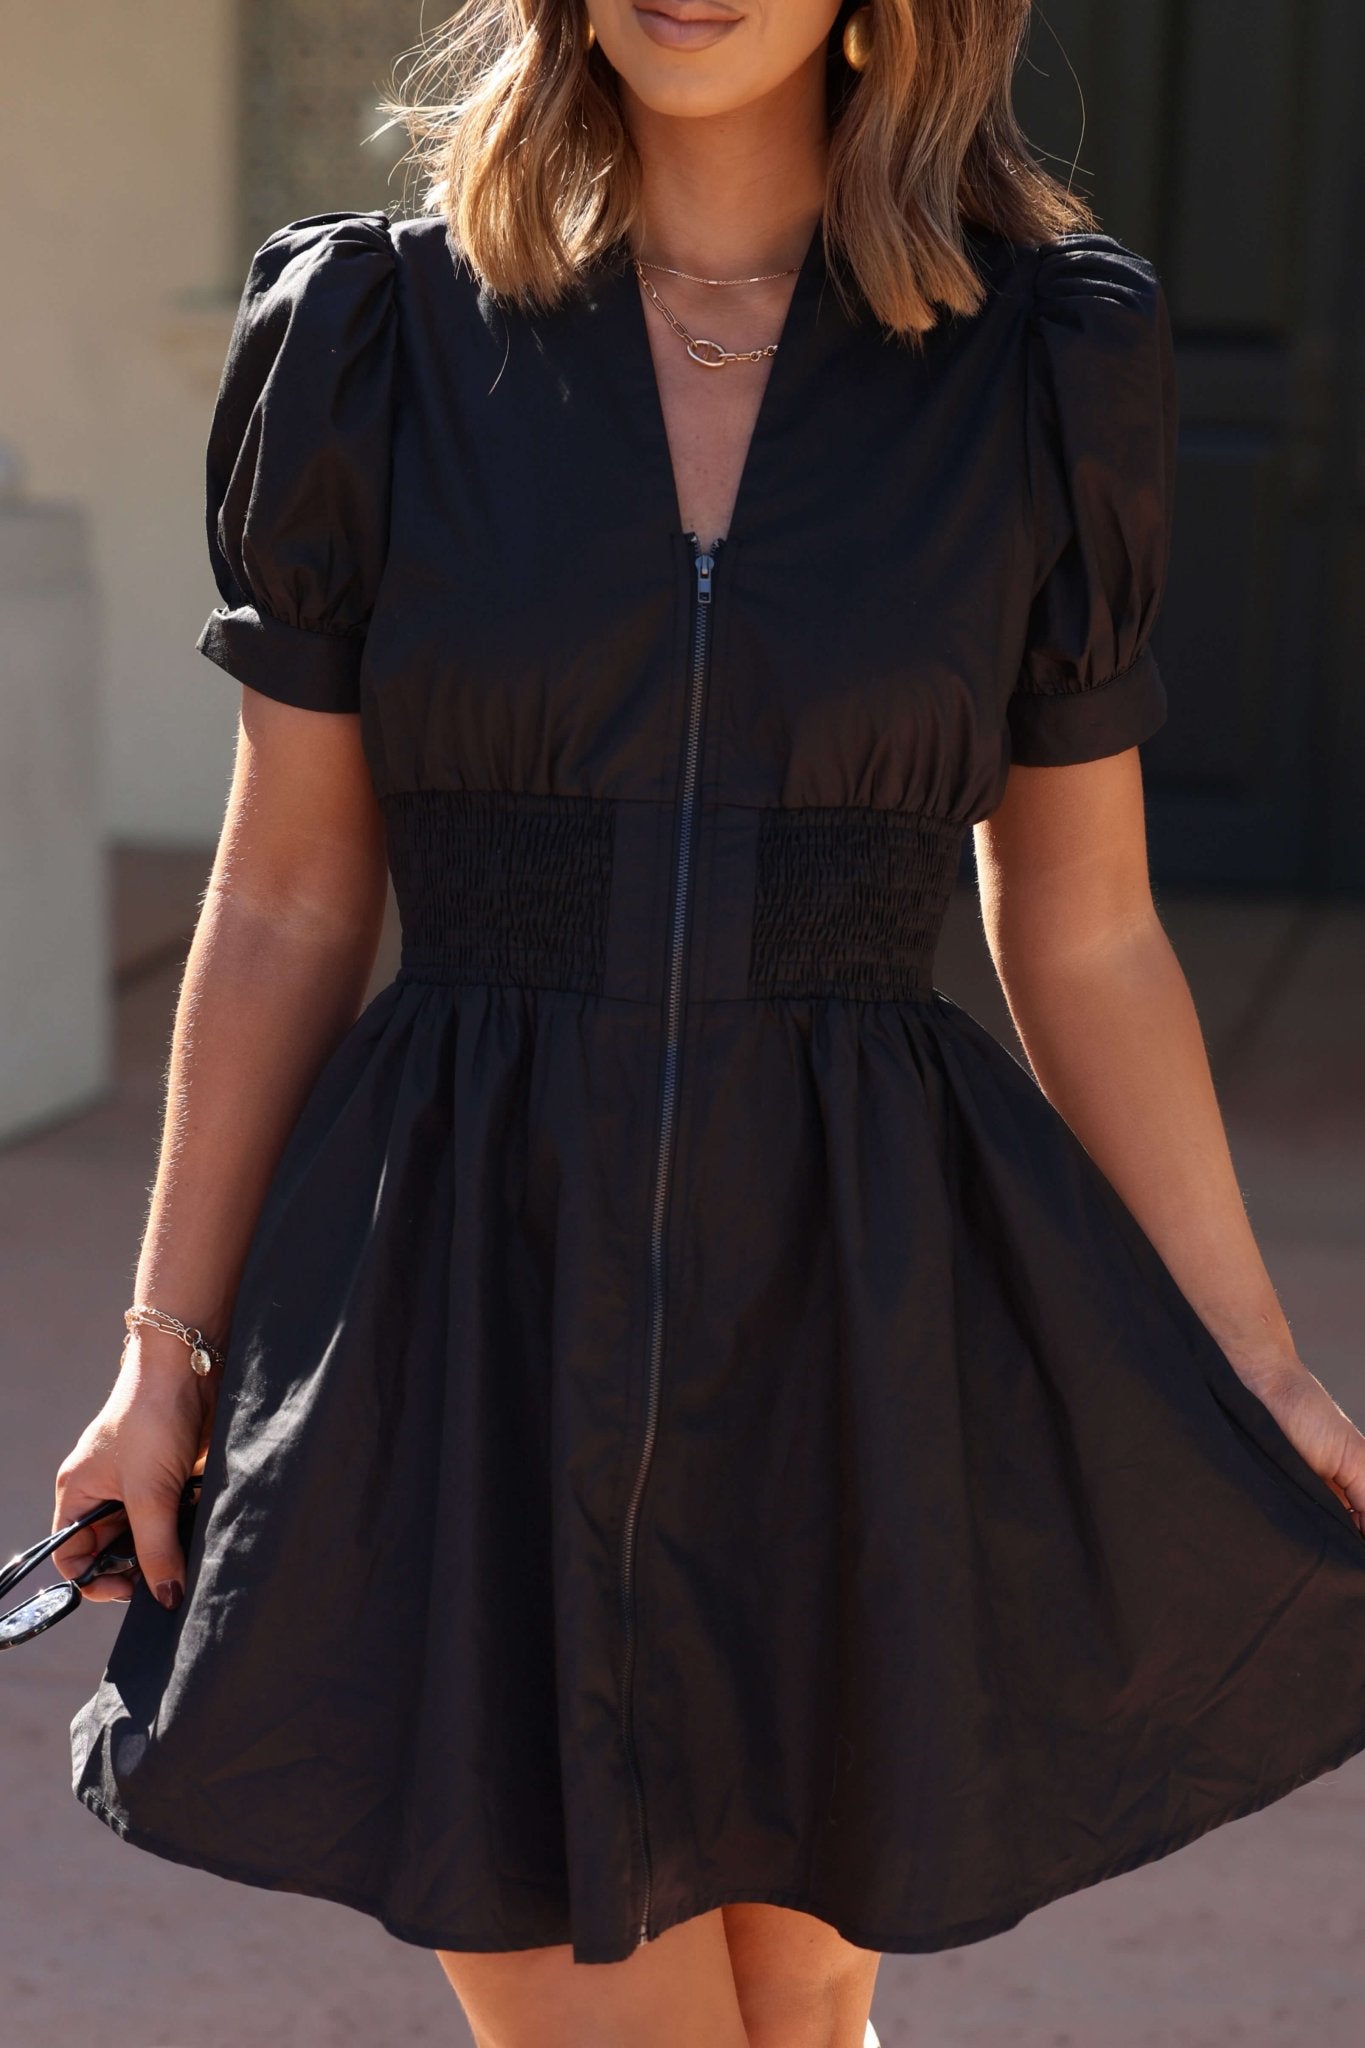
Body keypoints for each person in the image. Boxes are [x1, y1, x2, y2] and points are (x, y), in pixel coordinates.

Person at [52, 1, 1365, 2043]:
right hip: (463, 1314)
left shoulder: (1035, 364)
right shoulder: (374, 342)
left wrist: (1251, 1361)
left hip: (853, 1314)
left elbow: (1082, 924)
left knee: (798, 2004)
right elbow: (294, 891)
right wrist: (165, 1357)